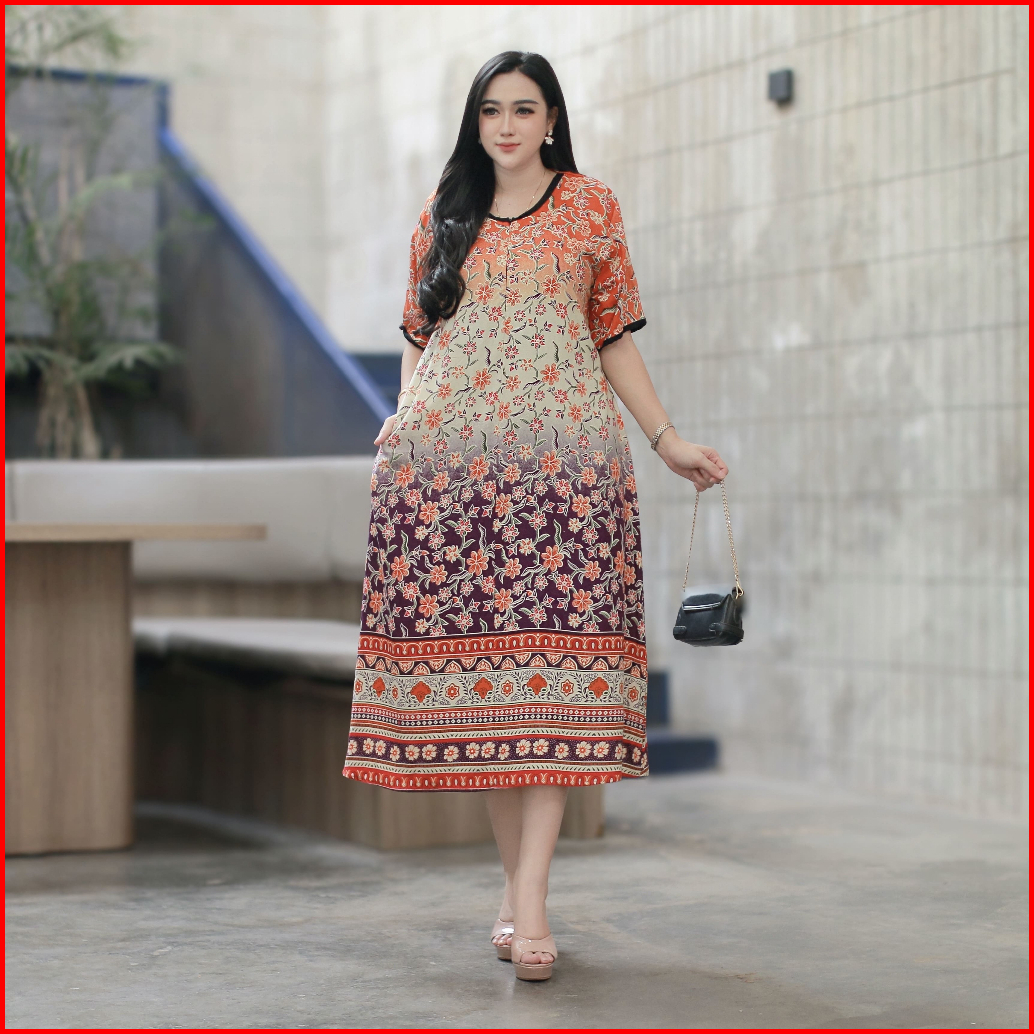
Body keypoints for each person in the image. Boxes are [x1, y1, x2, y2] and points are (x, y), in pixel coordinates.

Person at [342, 51, 728, 982]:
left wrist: (667, 438)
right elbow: (419, 339)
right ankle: (518, 893)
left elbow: (612, 336)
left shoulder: (591, 206)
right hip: (452, 479)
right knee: (492, 691)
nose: (507, 126)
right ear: (475, 123)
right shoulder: (443, 215)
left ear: (552, 118)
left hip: (566, 477)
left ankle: (532, 901)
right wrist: (402, 423)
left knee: (554, 683)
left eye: (523, 109)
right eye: (491, 110)